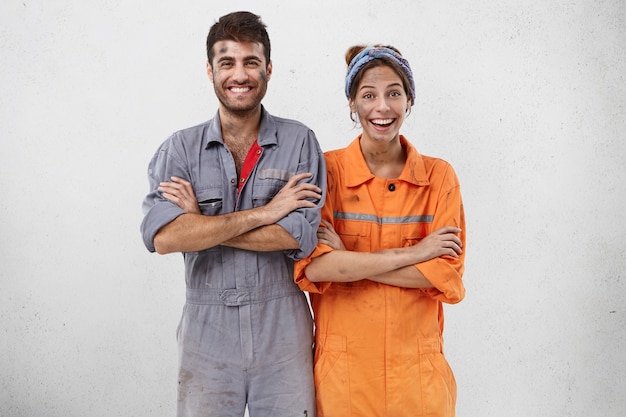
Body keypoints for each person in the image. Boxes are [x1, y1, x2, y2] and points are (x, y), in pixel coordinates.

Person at [140, 11, 324, 417]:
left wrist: (200, 225)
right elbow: (165, 238)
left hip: (283, 331)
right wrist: (266, 213)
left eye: (250, 62)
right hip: (207, 335)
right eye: (227, 62)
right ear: (210, 70)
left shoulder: (299, 143)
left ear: (269, 69)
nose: (239, 75)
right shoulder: (180, 150)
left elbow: (297, 235)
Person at [293, 45, 466, 416]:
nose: (382, 107)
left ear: (409, 100)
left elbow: (446, 274)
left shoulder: (439, 178)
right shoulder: (327, 173)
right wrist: (418, 253)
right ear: (352, 103)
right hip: (344, 382)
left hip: (418, 380)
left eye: (394, 93)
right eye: (368, 95)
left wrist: (349, 261)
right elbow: (316, 269)